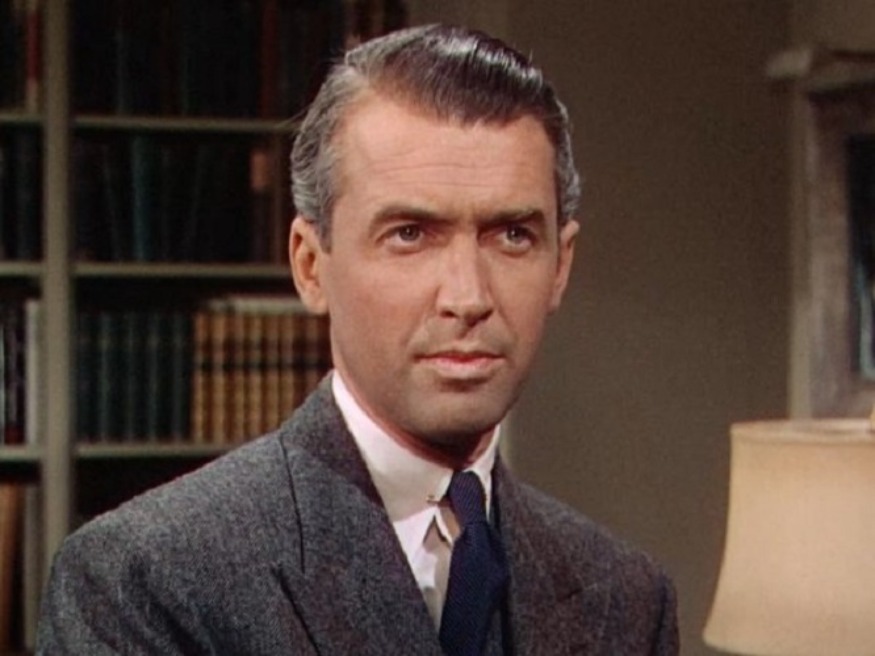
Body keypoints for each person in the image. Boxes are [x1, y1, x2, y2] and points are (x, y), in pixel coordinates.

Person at [37, 24, 678, 655]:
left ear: (560, 266)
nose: (468, 297)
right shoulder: (144, 582)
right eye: (410, 235)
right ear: (310, 265)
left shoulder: (626, 599)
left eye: (512, 236)